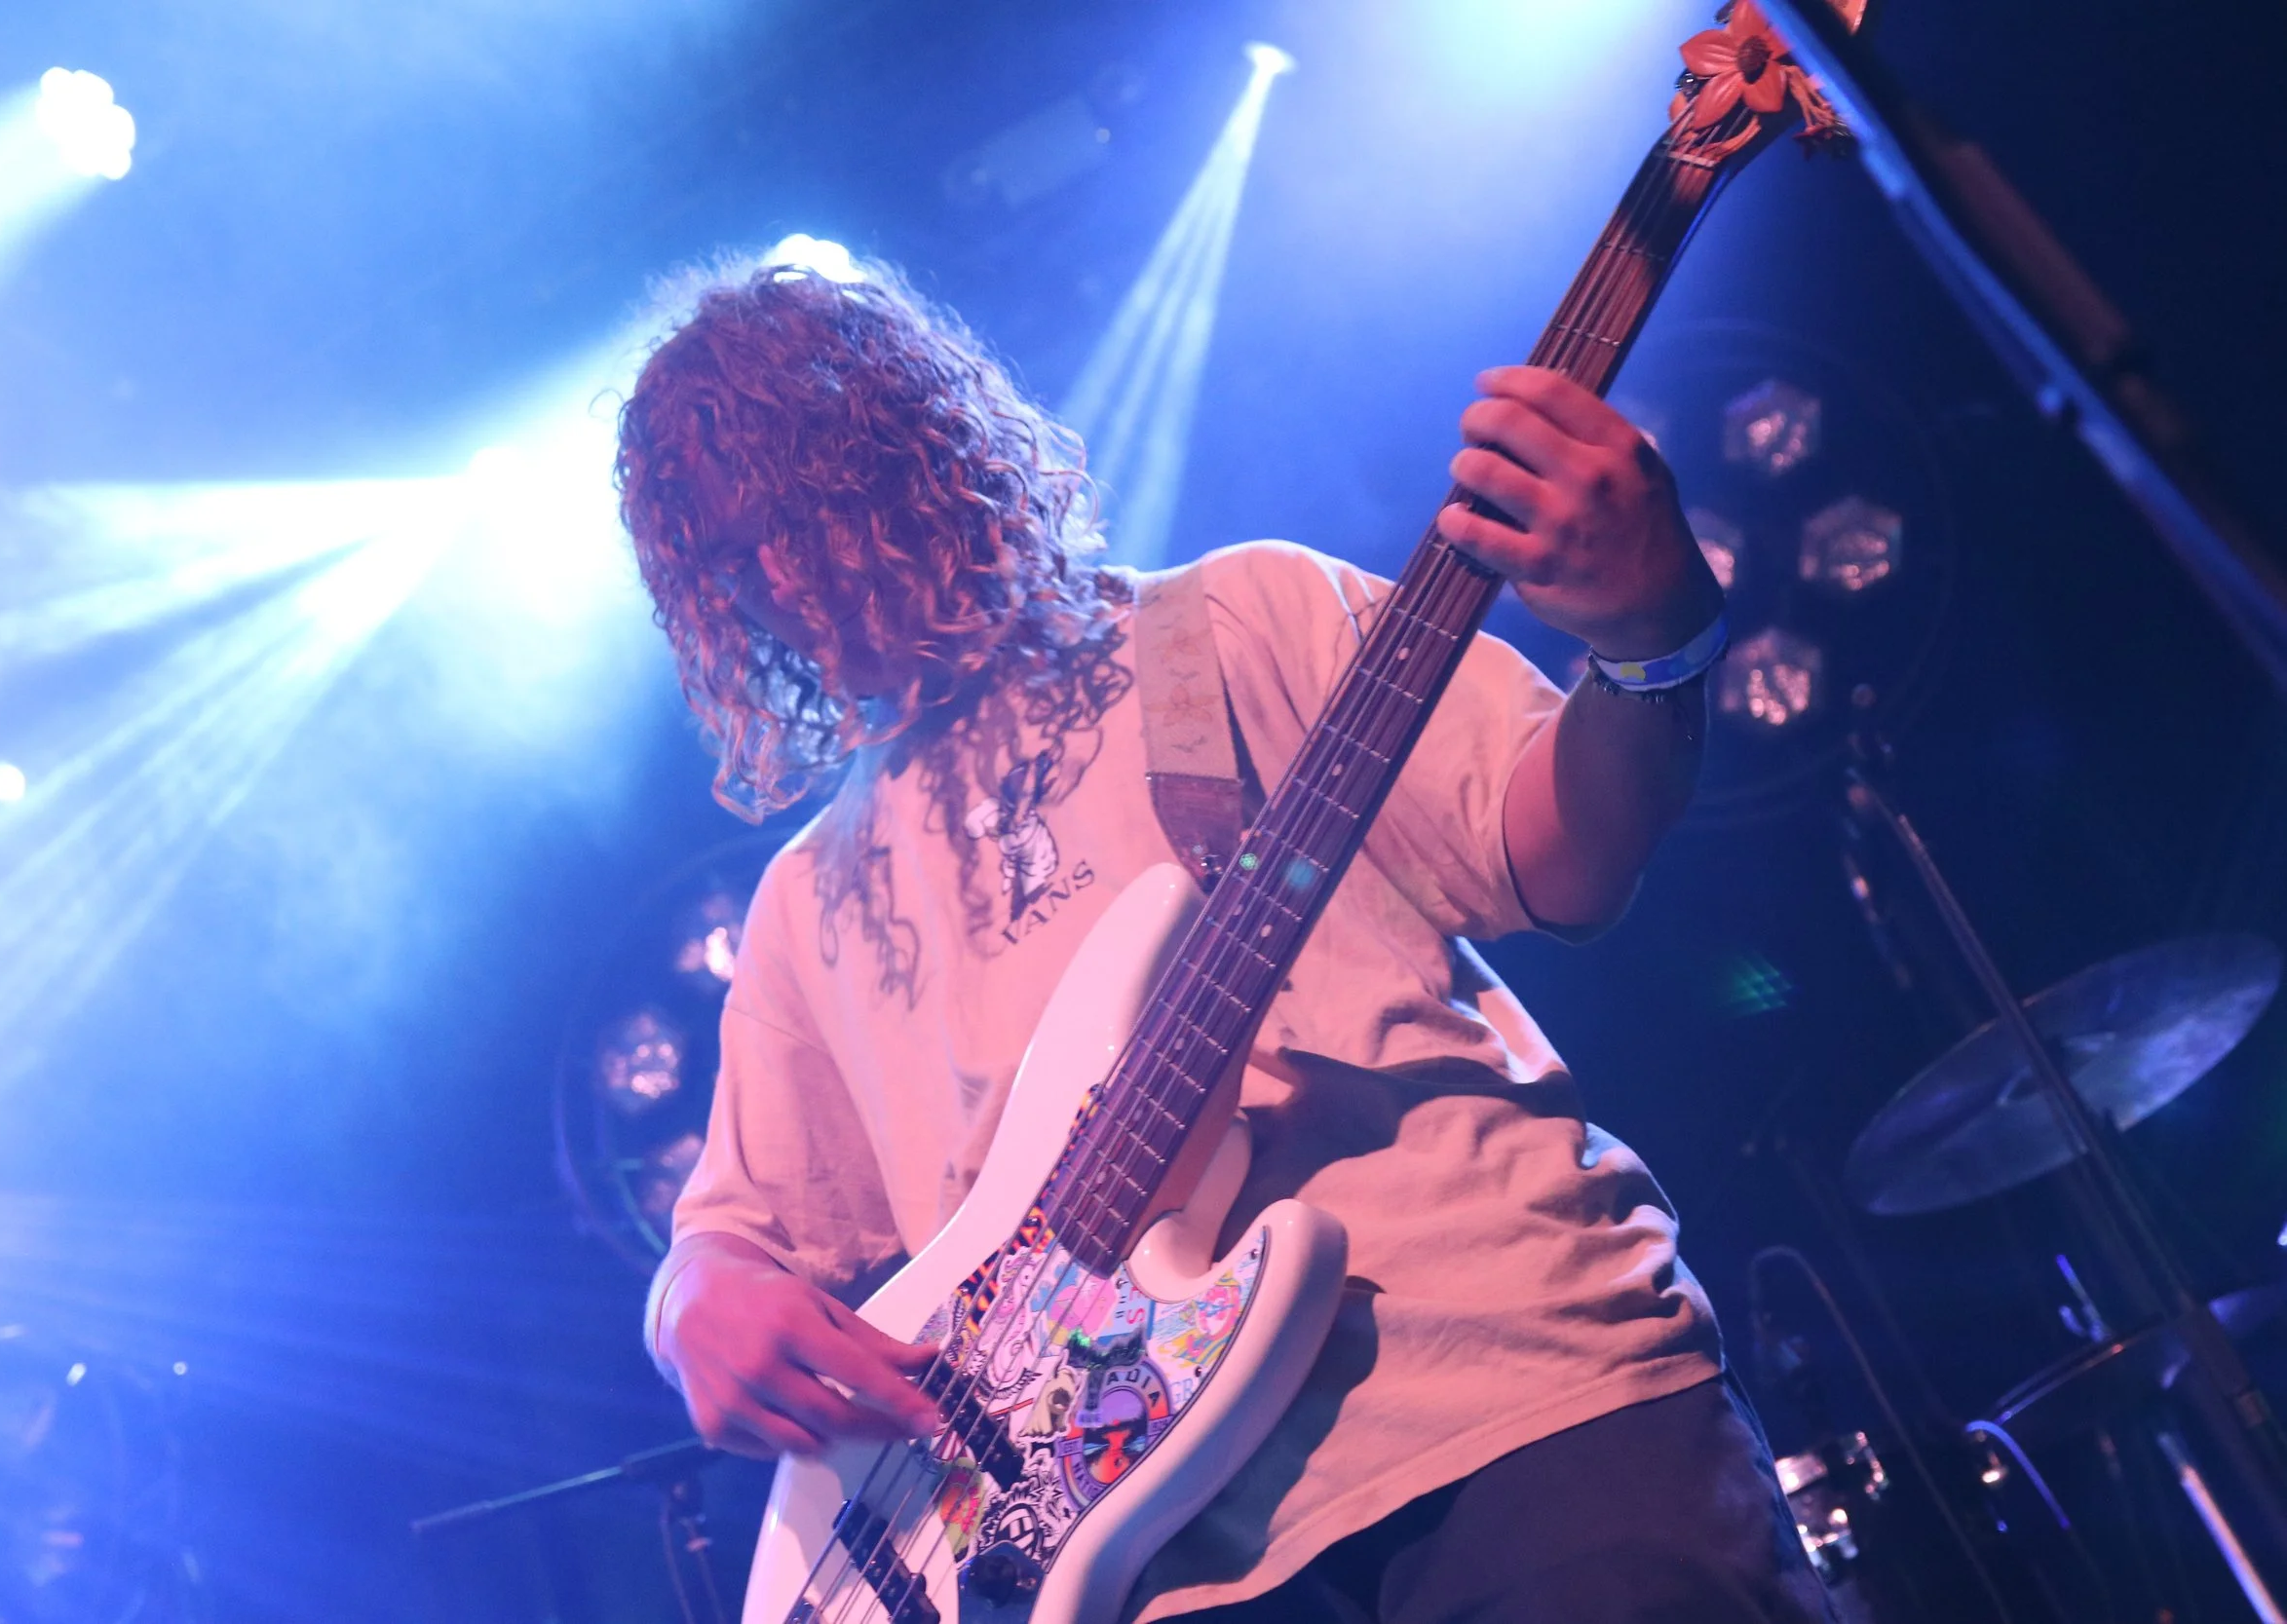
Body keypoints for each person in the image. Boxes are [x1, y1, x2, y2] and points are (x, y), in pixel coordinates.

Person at [615, 259, 1831, 1623]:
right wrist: (692, 1308)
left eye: (803, 507)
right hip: (1143, 1566)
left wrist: (1653, 646)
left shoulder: (1228, 622)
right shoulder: (809, 904)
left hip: (1509, 1404)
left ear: (909, 446)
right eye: (734, 554)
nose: (782, 575)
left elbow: (1565, 852)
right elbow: (731, 1239)